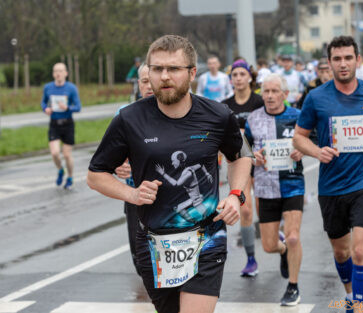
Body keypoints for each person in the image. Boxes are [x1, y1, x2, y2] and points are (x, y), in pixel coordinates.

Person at [87, 35, 252, 313]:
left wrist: (236, 195)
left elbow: (241, 156)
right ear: (148, 72)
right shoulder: (129, 119)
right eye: (157, 69)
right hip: (154, 242)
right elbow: (95, 174)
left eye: (173, 69)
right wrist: (132, 193)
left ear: (191, 73)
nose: (164, 76)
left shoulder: (218, 115)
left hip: (206, 238)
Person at [293, 36, 363, 311]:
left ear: (358, 60)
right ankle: (351, 295)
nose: (343, 64)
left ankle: (360, 307)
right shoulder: (316, 98)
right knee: (341, 252)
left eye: (348, 58)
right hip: (331, 186)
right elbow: (298, 138)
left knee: (360, 249)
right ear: (329, 63)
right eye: (337, 59)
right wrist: (316, 152)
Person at [244, 73, 305, 306]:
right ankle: (282, 253)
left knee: (292, 237)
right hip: (265, 187)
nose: (269, 96)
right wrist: (253, 157)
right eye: (265, 92)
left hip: (292, 185)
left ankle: (293, 286)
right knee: (269, 245)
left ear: (285, 94)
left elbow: (315, 141)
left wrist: (303, 150)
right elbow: (243, 150)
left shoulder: (298, 117)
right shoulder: (253, 118)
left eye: (274, 91)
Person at [222, 59, 263, 277]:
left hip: (263, 161)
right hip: (241, 162)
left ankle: (275, 237)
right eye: (234, 74)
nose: (238, 78)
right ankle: (251, 259)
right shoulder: (225, 105)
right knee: (246, 209)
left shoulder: (259, 102)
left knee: (263, 211)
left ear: (249, 77)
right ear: (230, 79)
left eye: (241, 74)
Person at [114, 63, 154, 275]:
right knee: (140, 260)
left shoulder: (174, 111)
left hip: (168, 196)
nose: (148, 86)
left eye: (151, 80)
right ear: (138, 84)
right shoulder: (124, 114)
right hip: (134, 195)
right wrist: (117, 165)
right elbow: (109, 156)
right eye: (144, 81)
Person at [41, 62, 81, 189]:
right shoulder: (48, 87)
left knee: (67, 155)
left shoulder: (71, 88)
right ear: (53, 74)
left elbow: (78, 107)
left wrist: (67, 107)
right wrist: (45, 109)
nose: (58, 74)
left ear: (66, 73)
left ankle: (70, 176)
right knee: (54, 153)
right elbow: (43, 103)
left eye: (61, 71)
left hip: (68, 124)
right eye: (56, 71)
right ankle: (60, 170)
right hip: (54, 124)